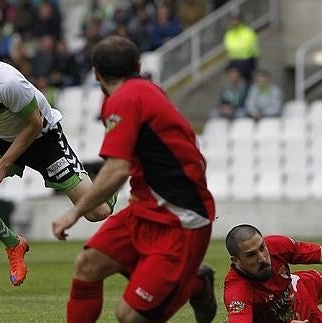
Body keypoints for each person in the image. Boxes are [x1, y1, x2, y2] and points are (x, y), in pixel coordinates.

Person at [0, 27, 116, 287]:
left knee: (98, 212)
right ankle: (13, 244)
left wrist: (2, 165)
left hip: (44, 138)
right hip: (3, 137)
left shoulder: (6, 85)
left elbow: (34, 125)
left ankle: (110, 177)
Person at [52, 35, 217, 323]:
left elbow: (118, 169)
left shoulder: (127, 99)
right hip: (144, 209)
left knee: (129, 316)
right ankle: (188, 278)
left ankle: (196, 283)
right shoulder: (129, 95)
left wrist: (74, 213)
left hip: (181, 220)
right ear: (138, 65)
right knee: (87, 265)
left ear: (95, 73)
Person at [224, 12, 259, 82]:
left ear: (241, 21)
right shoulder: (229, 33)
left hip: (246, 60)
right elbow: (228, 47)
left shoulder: (248, 32)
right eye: (233, 20)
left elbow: (251, 47)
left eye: (236, 20)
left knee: (247, 82)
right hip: (234, 60)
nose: (234, 22)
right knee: (234, 81)